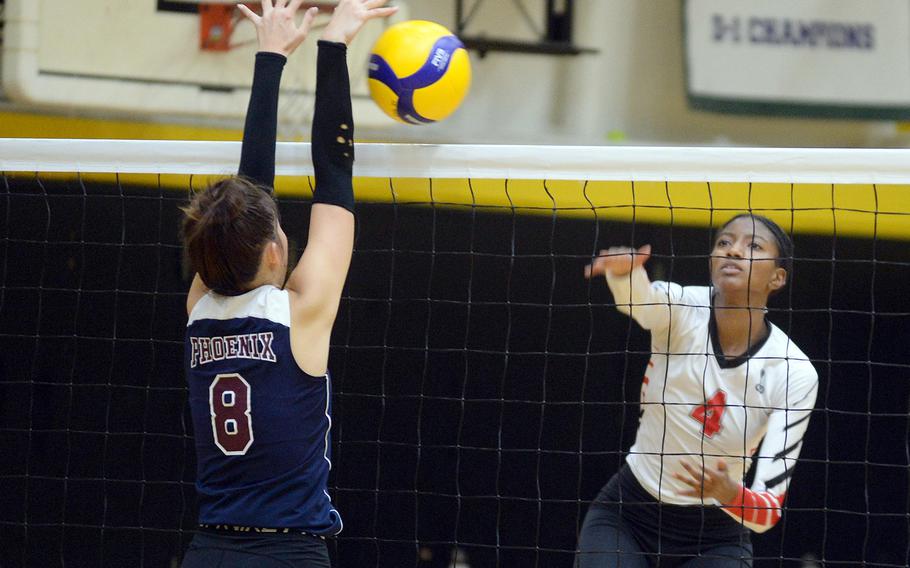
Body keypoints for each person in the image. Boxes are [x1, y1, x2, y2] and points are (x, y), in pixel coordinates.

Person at [179, 1, 397, 566]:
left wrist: (276, 56)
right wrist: (330, 48)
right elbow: (336, 175)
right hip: (289, 554)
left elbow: (252, 198)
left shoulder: (200, 306)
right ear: (276, 250)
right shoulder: (297, 315)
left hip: (208, 550)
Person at [577, 214, 819, 567]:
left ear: (778, 278)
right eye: (724, 242)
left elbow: (767, 511)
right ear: (712, 261)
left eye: (753, 246)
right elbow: (639, 302)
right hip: (627, 514)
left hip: (716, 539)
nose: (734, 251)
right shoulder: (682, 307)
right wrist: (624, 273)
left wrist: (731, 493)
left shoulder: (794, 372)